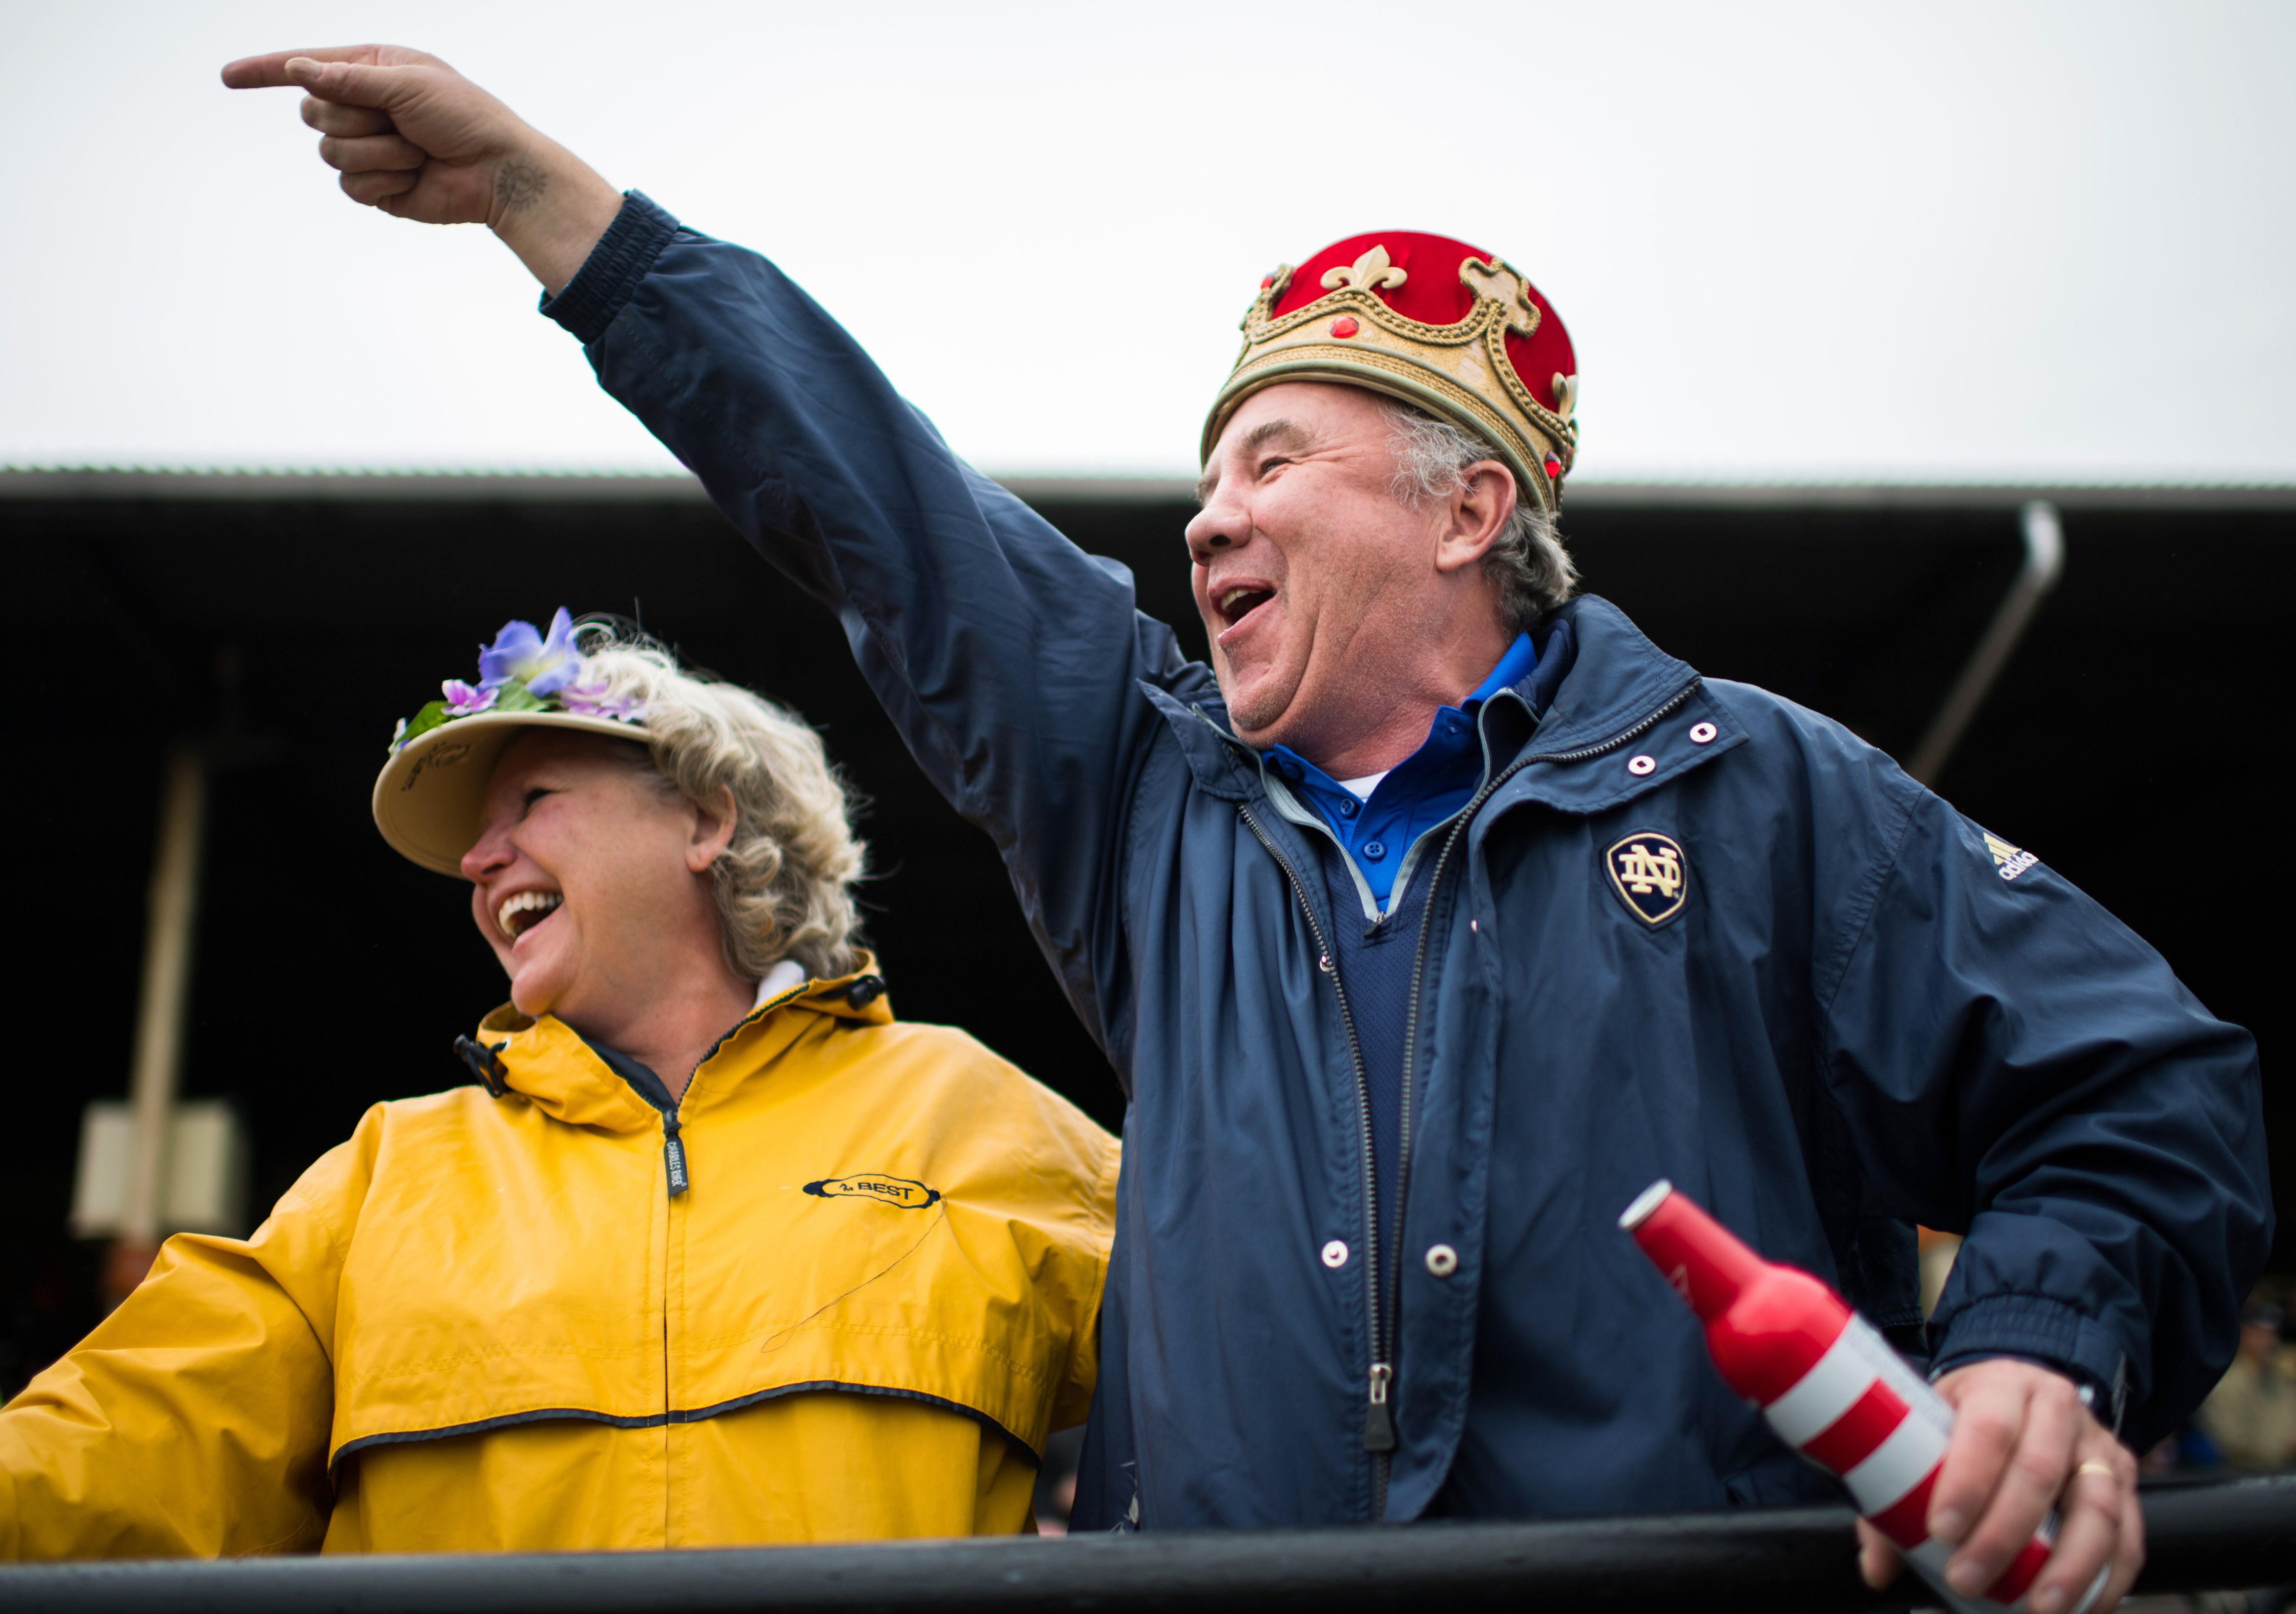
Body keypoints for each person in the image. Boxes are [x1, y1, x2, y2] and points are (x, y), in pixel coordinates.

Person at [223, 45, 2274, 1614]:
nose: (1205, 517)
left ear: (1468, 510)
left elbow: (2141, 1091)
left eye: (1273, 457)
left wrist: (2027, 1351)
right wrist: (547, 204)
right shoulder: (1142, 793)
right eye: (1208, 471)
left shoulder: (1755, 793)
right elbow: (876, 500)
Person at [0, 615, 1118, 1555]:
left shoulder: (968, 1108)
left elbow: (1259, 1351)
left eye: (529, 798)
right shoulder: (387, 1172)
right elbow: (128, 1432)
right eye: (477, 839)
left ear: (704, 817)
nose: (479, 860)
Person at [2196, 1302, 2296, 1473]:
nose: (2270, 1342)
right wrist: (2286, 1448)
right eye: (2261, 1334)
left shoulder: (2282, 1378)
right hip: (2243, 1478)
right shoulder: (2226, 1383)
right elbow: (2234, 1444)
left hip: (2285, 1476)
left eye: (2273, 1334)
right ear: (2245, 1335)